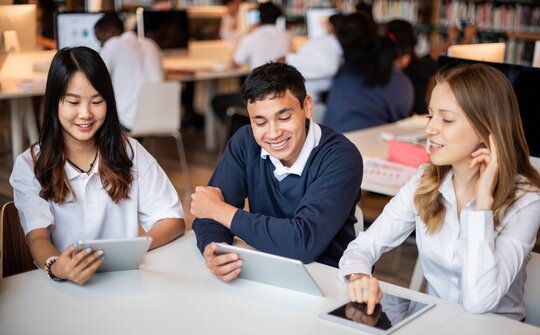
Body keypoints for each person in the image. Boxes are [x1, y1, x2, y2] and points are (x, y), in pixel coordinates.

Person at [338, 64, 540, 320]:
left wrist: (482, 206)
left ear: (485, 129)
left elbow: (479, 301)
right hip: (433, 324)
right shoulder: (425, 180)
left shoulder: (526, 201)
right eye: (430, 115)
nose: (430, 129)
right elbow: (367, 244)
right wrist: (358, 277)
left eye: (446, 119)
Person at [9, 47, 185, 285]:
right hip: (66, 287)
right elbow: (37, 236)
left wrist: (129, 253)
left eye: (96, 101)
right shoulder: (30, 164)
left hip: (126, 282)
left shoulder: (129, 151)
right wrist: (57, 267)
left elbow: (172, 220)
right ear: (54, 103)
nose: (85, 114)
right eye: (73, 102)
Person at [191, 62, 363, 281]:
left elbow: (303, 243)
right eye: (260, 122)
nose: (273, 133)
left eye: (284, 118)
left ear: (307, 107)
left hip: (326, 277)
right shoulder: (245, 142)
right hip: (264, 270)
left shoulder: (340, 157)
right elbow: (208, 213)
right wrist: (216, 248)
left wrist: (219, 210)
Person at [323, 17, 414, 132]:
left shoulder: (352, 65)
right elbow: (401, 124)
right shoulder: (401, 83)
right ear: (406, 57)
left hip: (328, 140)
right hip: (363, 143)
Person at [94, 12, 164, 131]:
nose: (101, 44)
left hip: (128, 122)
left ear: (110, 32)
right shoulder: (151, 44)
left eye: (100, 39)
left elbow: (95, 76)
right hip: (162, 117)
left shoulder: (113, 44)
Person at [285, 14, 345, 103]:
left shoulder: (330, 41)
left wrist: (288, 59)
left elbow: (330, 67)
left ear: (330, 26)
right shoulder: (330, 42)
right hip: (313, 96)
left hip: (311, 97)